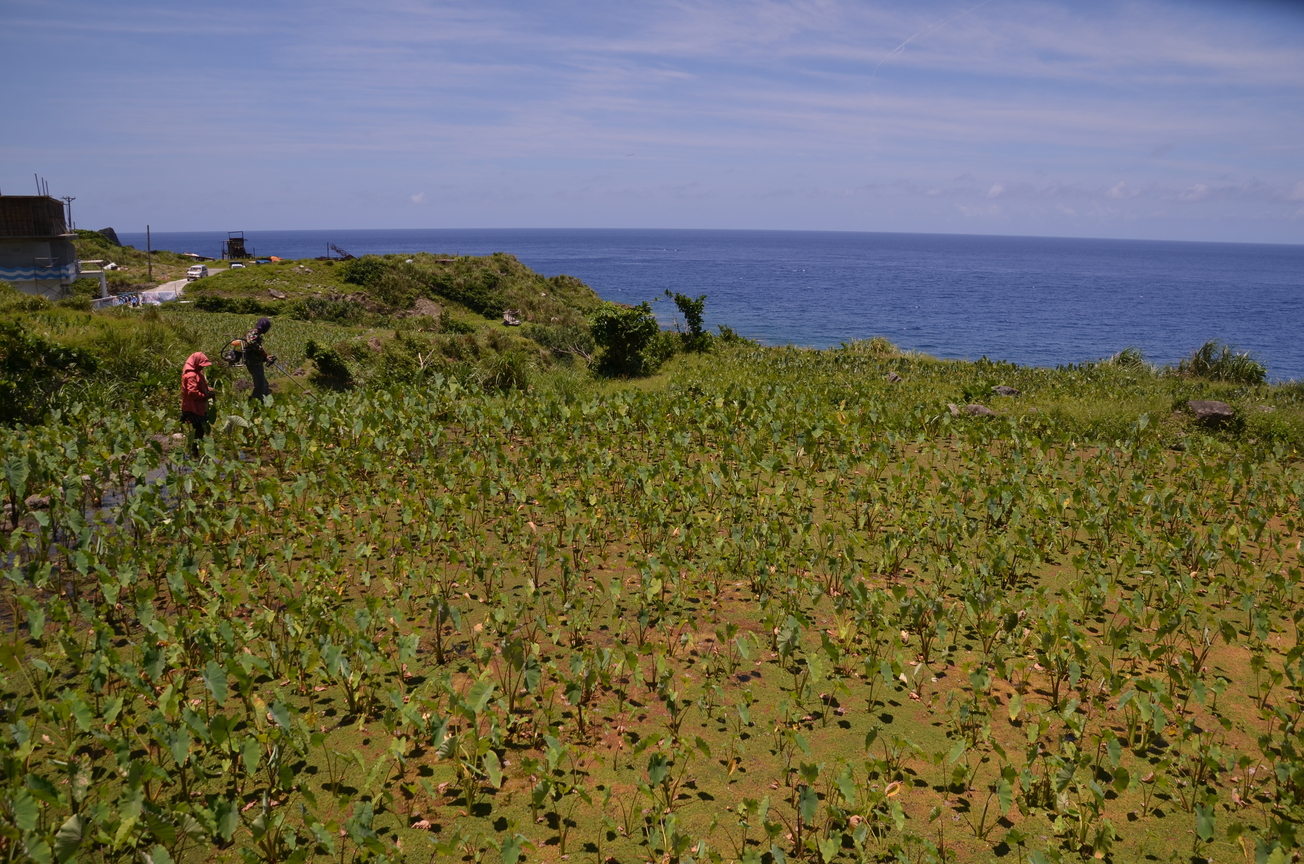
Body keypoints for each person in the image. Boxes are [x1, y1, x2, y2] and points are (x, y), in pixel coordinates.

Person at [180, 352, 215, 455]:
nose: (202, 367)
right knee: (198, 430)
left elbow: (200, 385)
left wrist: (208, 389)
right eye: (201, 365)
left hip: (198, 406)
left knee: (199, 430)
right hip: (192, 407)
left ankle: (194, 450)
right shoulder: (191, 375)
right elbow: (192, 392)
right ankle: (193, 451)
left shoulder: (197, 372)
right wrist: (206, 396)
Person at [242, 317, 277, 401]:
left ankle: (264, 401)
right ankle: (254, 401)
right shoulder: (253, 332)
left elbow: (254, 350)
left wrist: (265, 357)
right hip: (253, 363)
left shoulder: (257, 334)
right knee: (260, 385)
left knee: (264, 384)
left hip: (257, 362)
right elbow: (251, 342)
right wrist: (262, 351)